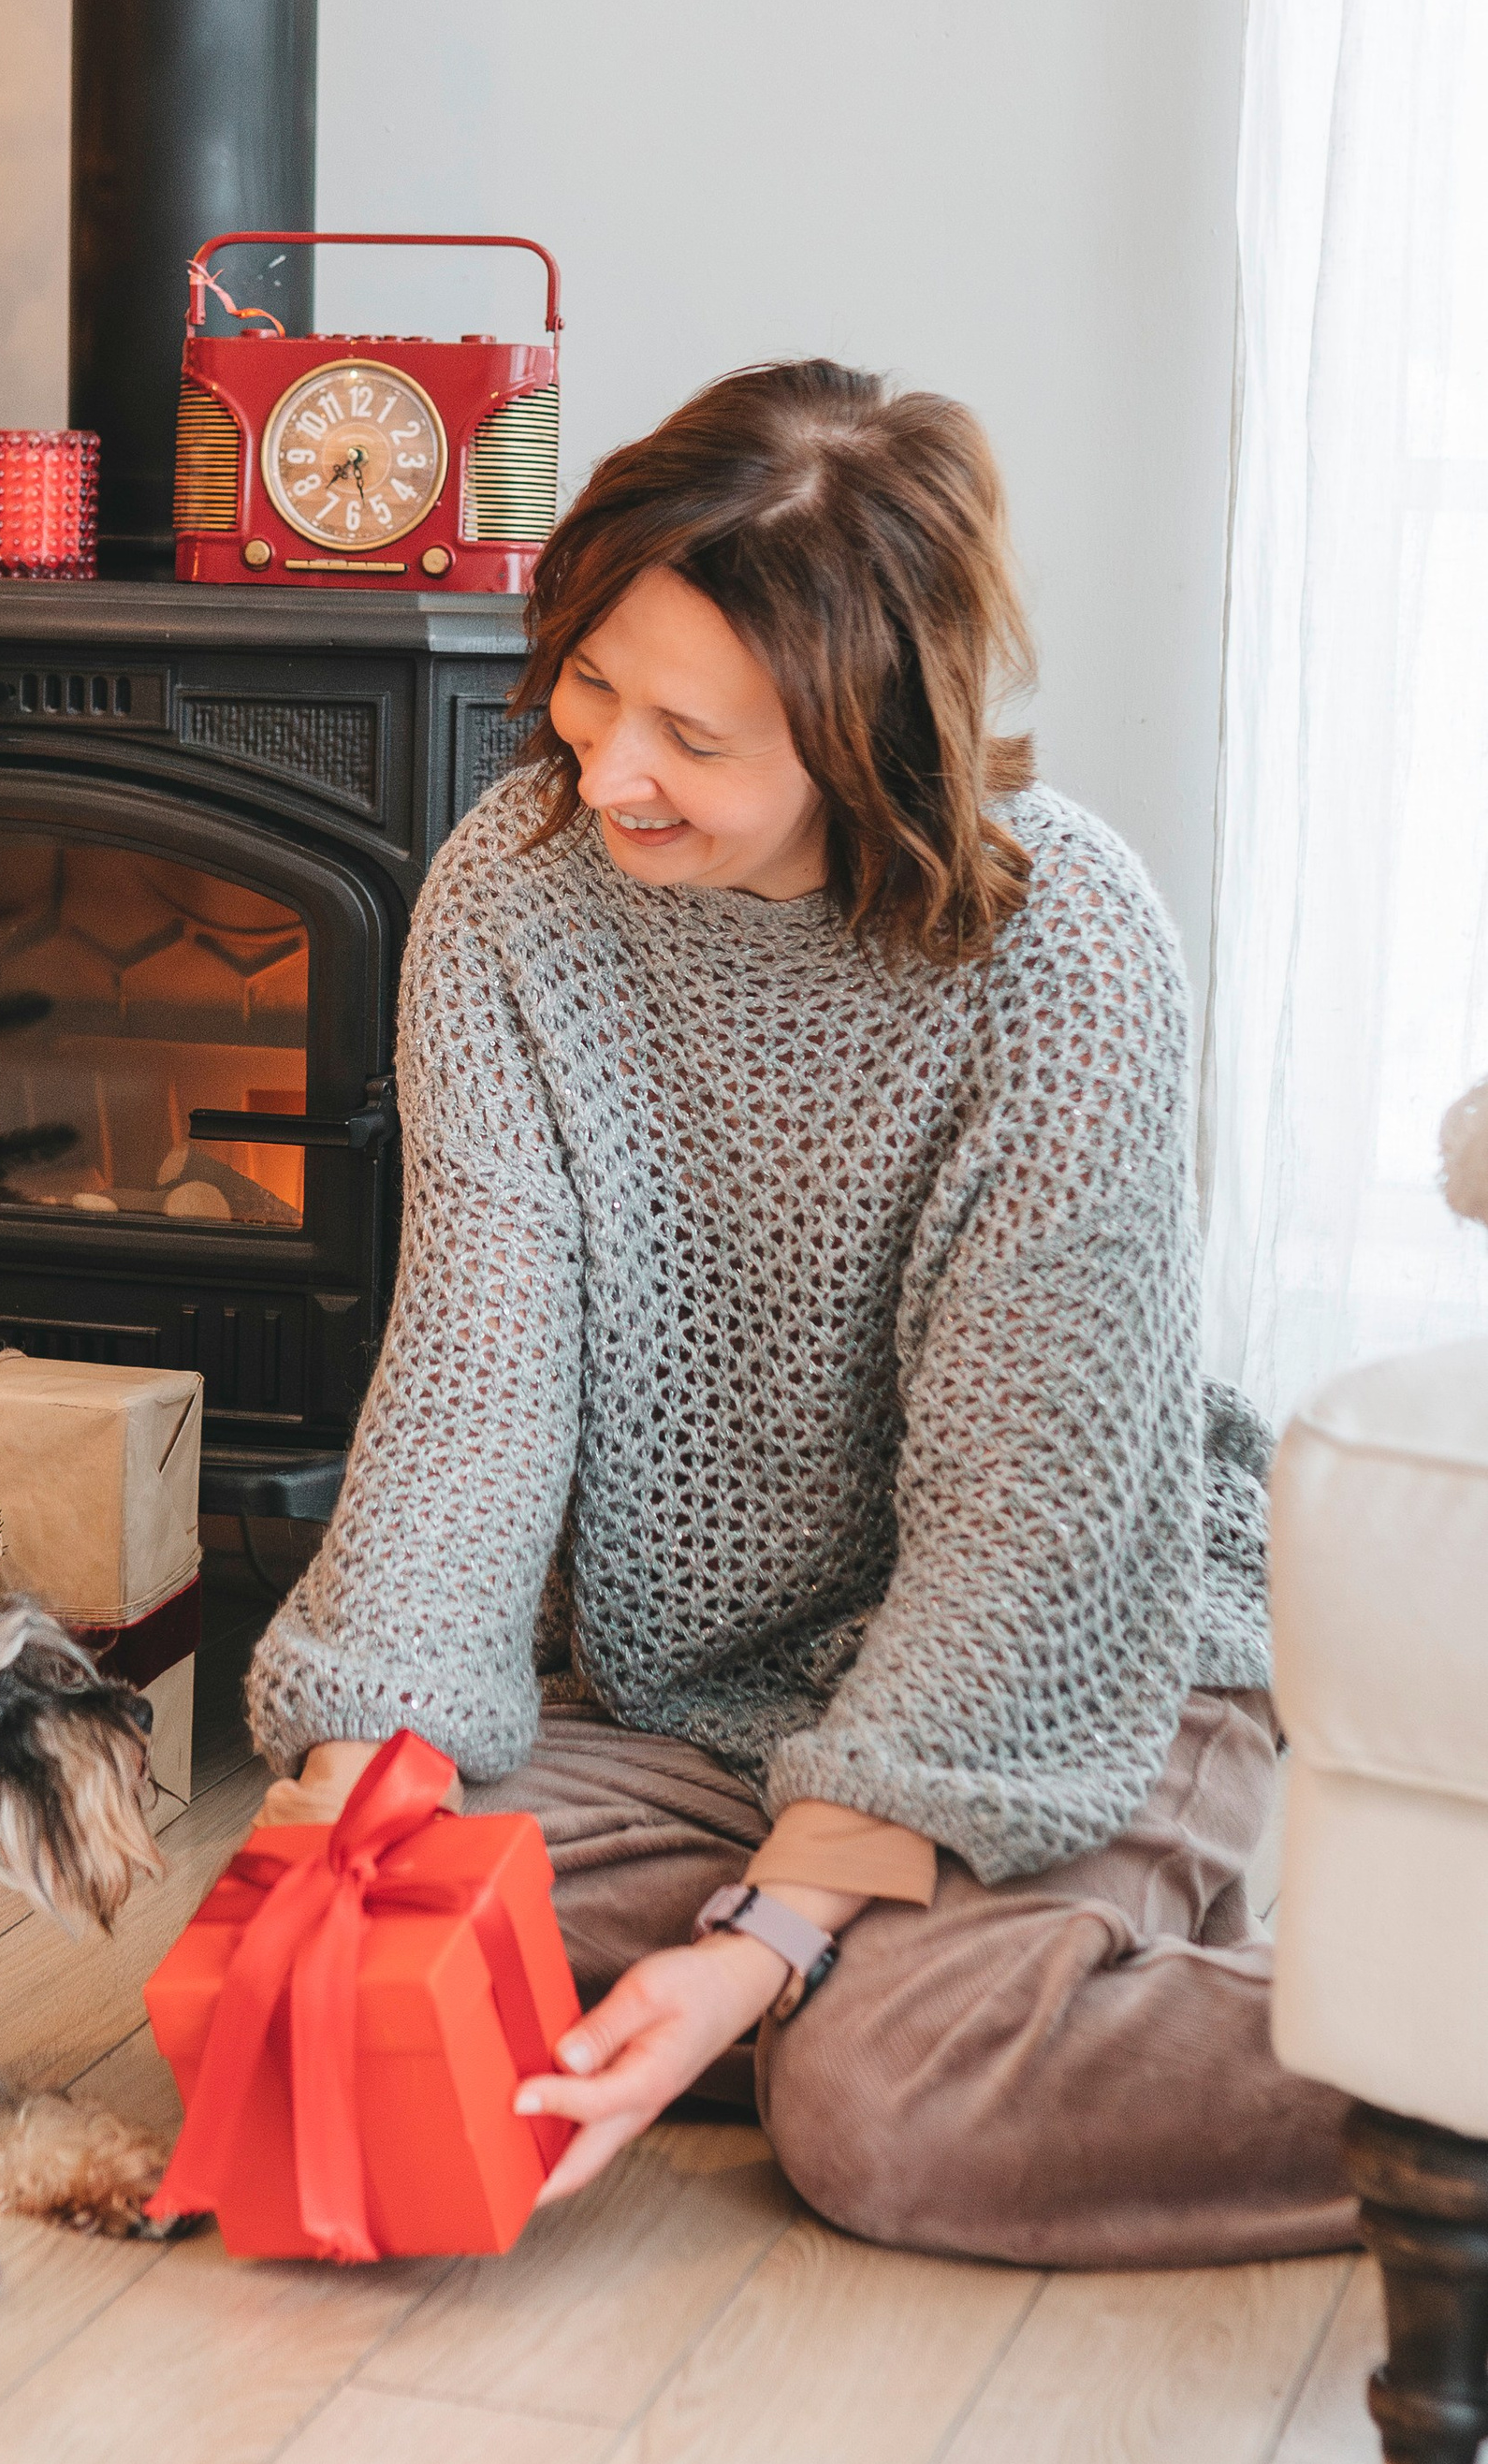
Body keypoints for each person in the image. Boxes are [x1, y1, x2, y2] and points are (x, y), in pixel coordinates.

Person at [245, 361, 1355, 2269]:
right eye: (590, 683)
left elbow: (1036, 1526)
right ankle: (866, 1964)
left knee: (887, 2106)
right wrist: (360, 1795)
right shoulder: (511, 896)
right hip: (701, 1703)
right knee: (328, 1958)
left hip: (1078, 1663)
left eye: (693, 732)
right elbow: (471, 1381)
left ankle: (1413, 2075)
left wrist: (764, 1933)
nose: (604, 772)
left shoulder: (1060, 953)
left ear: (865, 738)